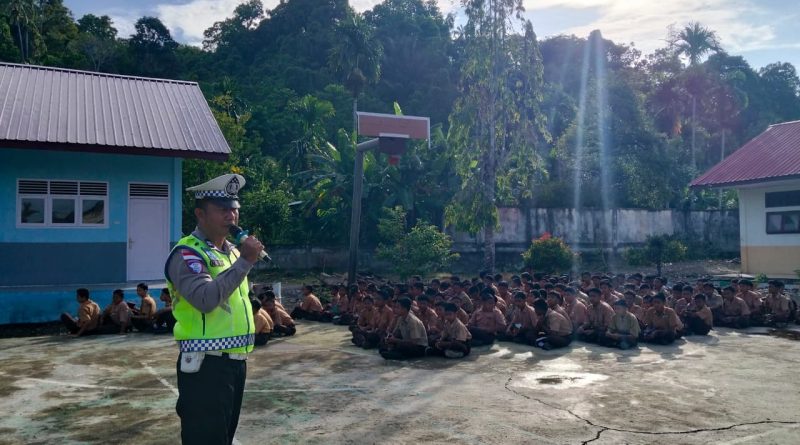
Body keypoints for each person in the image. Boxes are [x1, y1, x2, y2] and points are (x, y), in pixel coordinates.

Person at [165, 173, 262, 445]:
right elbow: (205, 300)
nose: (231, 216)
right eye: (223, 210)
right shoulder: (188, 253)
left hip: (235, 362)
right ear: (200, 214)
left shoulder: (231, 252)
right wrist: (245, 262)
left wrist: (241, 259)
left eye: (234, 209)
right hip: (206, 364)